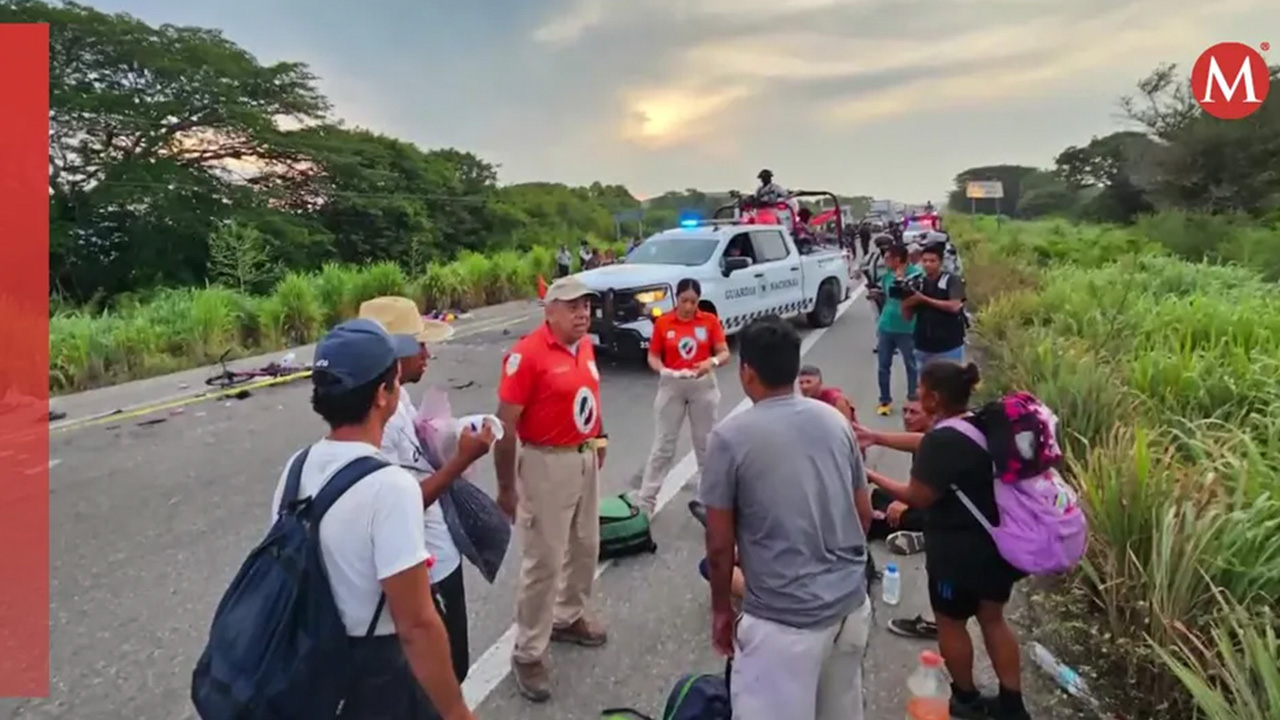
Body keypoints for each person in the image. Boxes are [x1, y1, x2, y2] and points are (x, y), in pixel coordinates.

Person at [270, 318, 480, 720]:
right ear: (383, 394)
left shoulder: (297, 467)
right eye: (394, 380)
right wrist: (456, 711)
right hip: (376, 670)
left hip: (317, 659)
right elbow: (415, 624)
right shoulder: (391, 487)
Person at [700, 316, 874, 720]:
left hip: (783, 626)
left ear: (747, 372)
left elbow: (720, 547)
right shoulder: (834, 421)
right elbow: (864, 514)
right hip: (850, 610)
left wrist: (722, 610)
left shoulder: (730, 438)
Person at [865, 361, 1030, 720]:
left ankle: (966, 699)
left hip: (957, 555)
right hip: (998, 546)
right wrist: (876, 436)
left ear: (935, 399)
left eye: (921, 390)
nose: (917, 395)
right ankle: (1012, 705)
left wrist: (870, 474)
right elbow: (925, 443)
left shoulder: (943, 440)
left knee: (951, 624)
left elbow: (917, 497)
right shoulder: (978, 424)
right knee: (993, 620)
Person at [359, 296, 489, 683]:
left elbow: (416, 454)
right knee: (442, 671)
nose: (427, 353)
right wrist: (461, 460)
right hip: (425, 564)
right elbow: (403, 503)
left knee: (452, 663)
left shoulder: (397, 398)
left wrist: (451, 436)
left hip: (438, 550)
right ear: (394, 354)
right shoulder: (378, 420)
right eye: (419, 344)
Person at [493, 275, 609, 703]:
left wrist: (599, 437)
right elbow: (505, 425)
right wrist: (506, 487)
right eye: (573, 307)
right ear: (550, 311)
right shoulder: (527, 355)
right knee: (544, 560)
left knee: (585, 545)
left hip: (583, 456)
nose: (583, 314)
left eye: (586, 306)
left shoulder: (585, 346)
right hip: (545, 462)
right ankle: (528, 652)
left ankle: (568, 616)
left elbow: (590, 394)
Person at [635, 278, 730, 518]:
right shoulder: (664, 322)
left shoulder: (708, 321)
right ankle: (645, 503)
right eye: (684, 301)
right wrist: (662, 370)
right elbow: (653, 356)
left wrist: (711, 361)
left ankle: (708, 500)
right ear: (676, 298)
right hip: (672, 384)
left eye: (693, 302)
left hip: (702, 384)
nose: (688, 307)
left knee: (705, 445)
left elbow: (724, 352)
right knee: (663, 445)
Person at [875, 244, 922, 416]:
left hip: (907, 327)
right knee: (883, 365)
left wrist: (901, 277)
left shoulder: (917, 274)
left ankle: (912, 398)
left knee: (911, 364)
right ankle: (885, 400)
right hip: (886, 326)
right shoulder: (887, 275)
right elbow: (890, 294)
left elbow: (909, 296)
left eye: (888, 258)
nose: (885, 261)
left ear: (897, 259)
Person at [904, 241, 967, 368]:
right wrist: (905, 303)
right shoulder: (917, 282)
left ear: (941, 262)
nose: (928, 264)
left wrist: (924, 299)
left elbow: (954, 306)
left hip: (949, 345)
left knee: (949, 379)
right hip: (923, 345)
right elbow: (907, 317)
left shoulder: (952, 280)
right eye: (925, 261)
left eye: (932, 261)